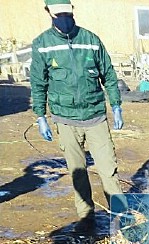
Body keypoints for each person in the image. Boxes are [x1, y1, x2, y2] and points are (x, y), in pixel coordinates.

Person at [30, 0, 124, 232]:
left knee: (108, 169)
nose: (63, 18)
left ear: (72, 11)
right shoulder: (42, 44)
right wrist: (40, 116)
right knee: (78, 172)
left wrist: (117, 105)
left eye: (66, 13)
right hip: (65, 119)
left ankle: (120, 217)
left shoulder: (91, 40)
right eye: (58, 14)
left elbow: (108, 74)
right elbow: (38, 83)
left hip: (96, 117)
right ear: (48, 13)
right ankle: (86, 218)